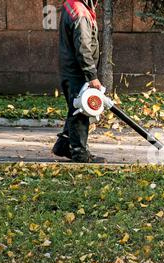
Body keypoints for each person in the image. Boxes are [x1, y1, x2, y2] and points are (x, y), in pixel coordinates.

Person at [52, 0, 105, 163]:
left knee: (74, 109)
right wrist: (92, 76)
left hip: (71, 69)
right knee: (80, 112)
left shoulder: (72, 5)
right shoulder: (80, 12)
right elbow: (83, 47)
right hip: (77, 71)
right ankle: (79, 153)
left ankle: (63, 145)